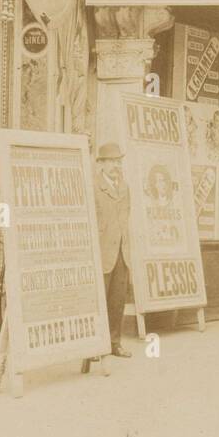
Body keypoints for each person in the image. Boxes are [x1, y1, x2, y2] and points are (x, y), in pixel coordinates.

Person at [94, 142, 132, 358]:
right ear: (102, 164)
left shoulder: (125, 187)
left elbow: (126, 216)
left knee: (117, 300)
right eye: (112, 161)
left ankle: (114, 343)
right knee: (99, 300)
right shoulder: (94, 186)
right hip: (101, 252)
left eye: (119, 161)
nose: (116, 166)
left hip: (121, 252)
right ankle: (95, 347)